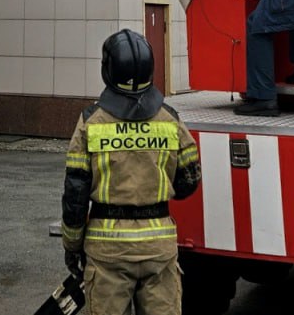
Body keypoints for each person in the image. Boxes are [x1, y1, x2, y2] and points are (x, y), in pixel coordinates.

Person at [61, 29, 202, 315]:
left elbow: (75, 195)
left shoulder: (91, 122)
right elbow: (189, 182)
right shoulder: (169, 119)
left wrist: (72, 245)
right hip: (158, 248)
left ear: (108, 71)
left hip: (107, 252)